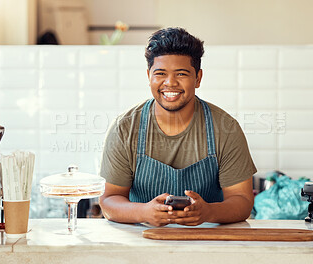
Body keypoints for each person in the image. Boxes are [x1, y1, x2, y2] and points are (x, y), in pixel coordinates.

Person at [99, 27, 256, 227]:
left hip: (208, 240)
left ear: (198, 78)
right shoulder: (125, 128)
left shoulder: (226, 129)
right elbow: (108, 201)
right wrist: (144, 212)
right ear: (149, 76)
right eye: (160, 73)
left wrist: (208, 212)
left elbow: (242, 201)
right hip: (142, 242)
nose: (170, 83)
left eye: (181, 74)